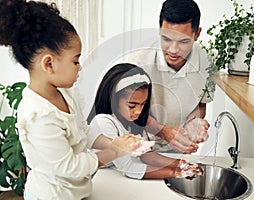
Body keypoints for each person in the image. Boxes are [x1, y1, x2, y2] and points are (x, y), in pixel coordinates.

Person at [0, 1, 146, 199]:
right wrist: (116, 152)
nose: (80, 67)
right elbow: (70, 167)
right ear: (49, 63)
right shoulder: (39, 116)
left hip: (76, 192)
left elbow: (83, 131)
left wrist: (113, 143)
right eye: (75, 61)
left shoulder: (66, 93)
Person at [88, 63, 204, 179]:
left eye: (142, 104)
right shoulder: (103, 122)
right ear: (113, 99)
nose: (138, 111)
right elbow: (128, 167)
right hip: (98, 178)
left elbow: (147, 155)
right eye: (132, 105)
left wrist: (180, 163)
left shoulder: (131, 120)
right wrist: (176, 172)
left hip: (113, 175)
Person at [126, 0, 211, 153]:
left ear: (197, 34)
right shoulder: (138, 60)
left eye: (183, 41)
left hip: (179, 145)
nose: (173, 50)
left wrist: (194, 122)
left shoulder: (209, 62)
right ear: (160, 30)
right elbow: (127, 109)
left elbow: (201, 105)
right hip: (139, 143)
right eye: (166, 39)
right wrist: (163, 131)